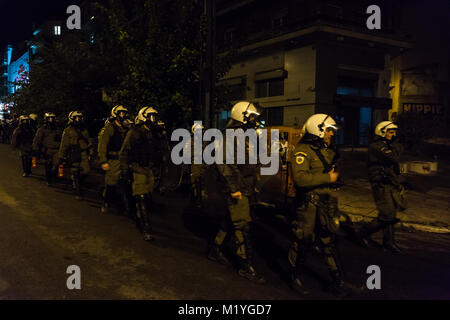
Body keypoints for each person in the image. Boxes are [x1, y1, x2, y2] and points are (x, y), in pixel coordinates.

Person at [288, 113, 361, 297]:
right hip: (308, 205)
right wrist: (327, 178)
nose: (331, 134)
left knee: (329, 241)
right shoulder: (302, 151)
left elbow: (331, 172)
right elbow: (300, 179)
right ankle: (294, 276)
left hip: (325, 203)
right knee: (302, 240)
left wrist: (334, 182)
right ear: (318, 130)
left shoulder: (327, 150)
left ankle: (338, 281)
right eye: (329, 130)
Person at [208, 101, 265, 284]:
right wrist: (234, 189)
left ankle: (215, 249)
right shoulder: (230, 137)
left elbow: (251, 163)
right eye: (252, 117)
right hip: (236, 189)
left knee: (231, 221)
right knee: (243, 226)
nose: (255, 121)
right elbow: (224, 164)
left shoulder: (246, 137)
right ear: (242, 116)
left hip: (246, 188)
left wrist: (255, 184)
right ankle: (245, 266)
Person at [355, 121, 404, 253]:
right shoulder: (376, 146)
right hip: (380, 184)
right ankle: (362, 233)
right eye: (390, 132)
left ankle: (389, 242)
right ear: (382, 132)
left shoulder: (388, 145)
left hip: (390, 183)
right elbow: (394, 157)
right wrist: (397, 145)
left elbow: (395, 165)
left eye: (394, 132)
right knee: (387, 215)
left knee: (391, 213)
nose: (393, 135)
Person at [119, 106, 164, 241]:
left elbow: (159, 151)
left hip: (148, 169)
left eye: (155, 117)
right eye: (151, 117)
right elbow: (124, 152)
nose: (153, 120)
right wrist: (125, 170)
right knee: (141, 197)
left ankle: (136, 215)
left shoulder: (155, 134)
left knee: (146, 197)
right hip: (137, 168)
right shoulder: (134, 133)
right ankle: (146, 228)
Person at [98, 105, 131, 215]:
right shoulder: (110, 128)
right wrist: (103, 161)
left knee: (124, 184)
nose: (122, 115)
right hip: (113, 160)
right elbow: (103, 145)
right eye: (120, 113)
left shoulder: (127, 128)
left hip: (124, 159)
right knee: (111, 183)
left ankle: (122, 206)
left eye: (124, 113)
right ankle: (106, 201)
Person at [57, 111, 94, 199]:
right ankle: (77, 191)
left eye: (79, 118)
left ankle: (77, 182)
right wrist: (61, 156)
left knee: (86, 171)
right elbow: (64, 144)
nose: (78, 120)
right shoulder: (68, 131)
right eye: (76, 118)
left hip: (83, 153)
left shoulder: (84, 130)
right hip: (73, 152)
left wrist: (91, 152)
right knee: (75, 171)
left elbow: (89, 142)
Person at [32, 112, 62, 186]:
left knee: (56, 165)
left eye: (52, 118)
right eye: (49, 118)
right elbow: (37, 139)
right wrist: (36, 149)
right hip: (47, 150)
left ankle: (54, 179)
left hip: (56, 150)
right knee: (48, 165)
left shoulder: (58, 129)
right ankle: (49, 180)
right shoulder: (42, 129)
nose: (51, 120)